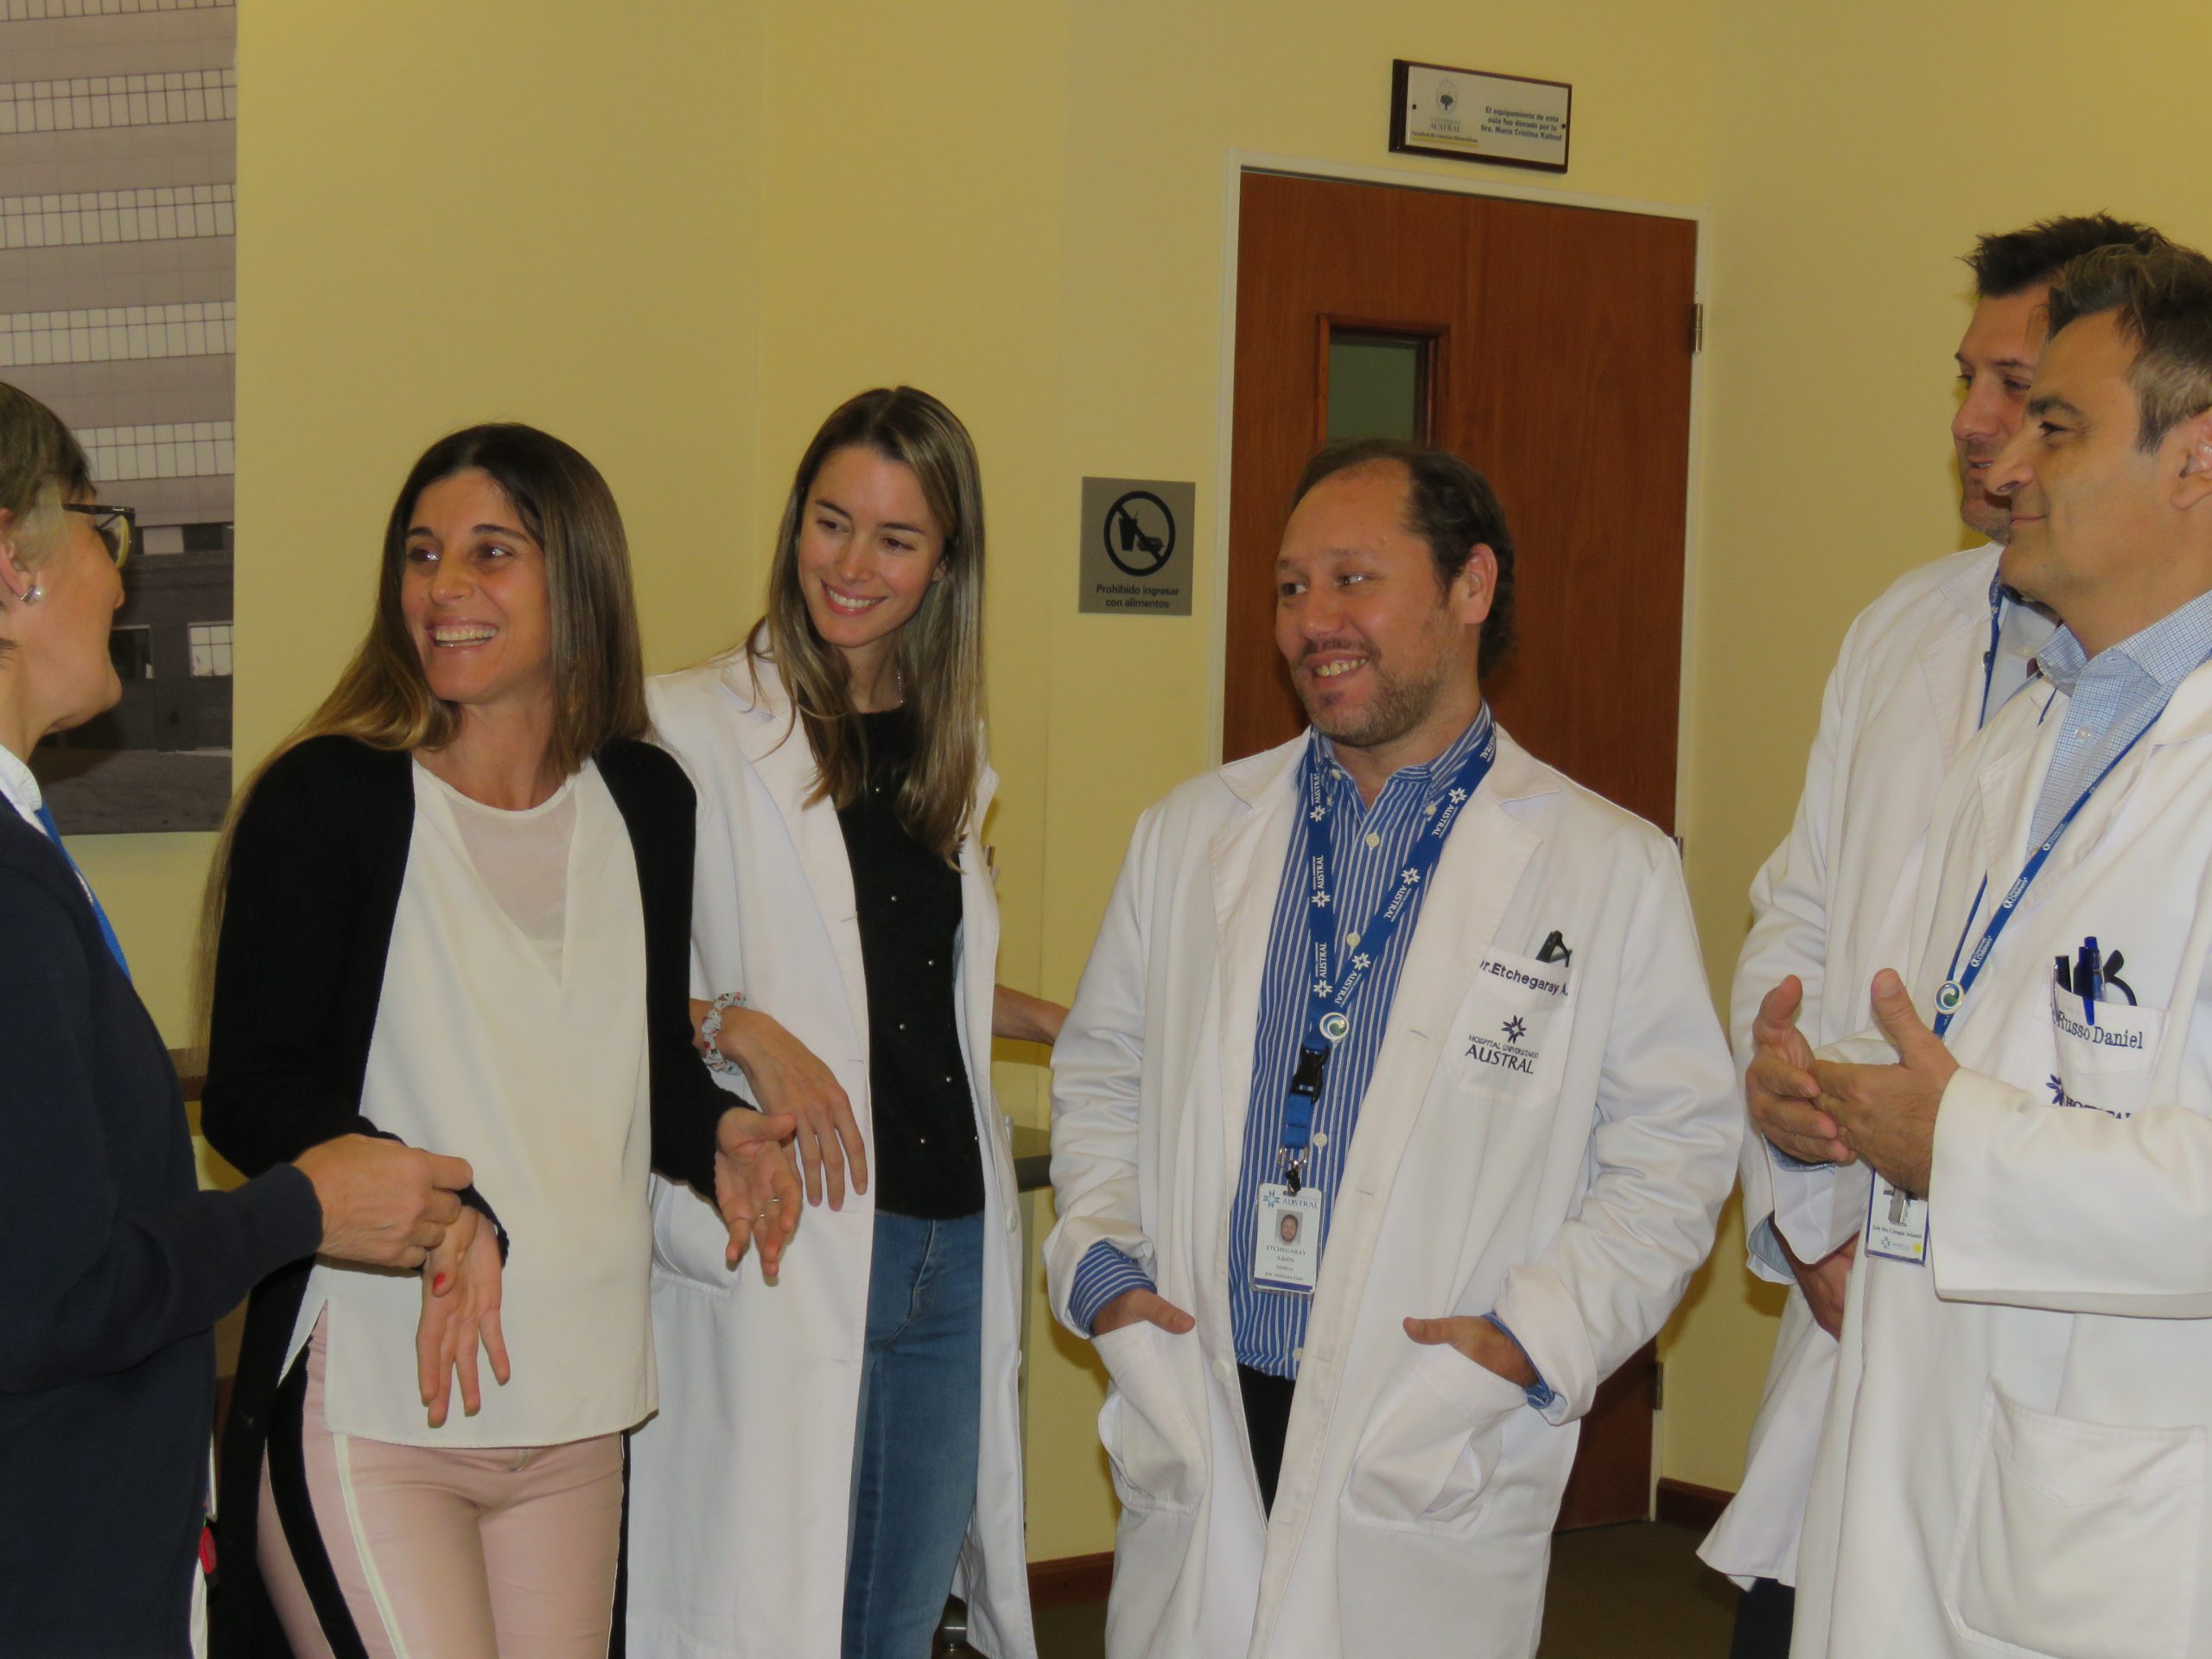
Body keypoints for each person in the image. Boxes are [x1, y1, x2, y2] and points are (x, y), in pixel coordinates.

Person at [1045, 436, 1741, 1658]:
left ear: (1471, 586)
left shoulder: (1607, 867)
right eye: (1290, 586)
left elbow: (1674, 1154)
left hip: (1422, 1416)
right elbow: (1104, 1074)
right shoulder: (1191, 834)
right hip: (1198, 1384)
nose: (1313, 621)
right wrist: (1103, 1271)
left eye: (1352, 579)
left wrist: (1531, 1340)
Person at [198, 424, 800, 1658]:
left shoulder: (646, 799)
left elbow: (638, 1061)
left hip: (577, 1406)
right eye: (422, 555)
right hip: (373, 1399)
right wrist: (443, 1209)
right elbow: (254, 1093)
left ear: (576, 578)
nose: (443, 588)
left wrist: (717, 1131)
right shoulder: (329, 797)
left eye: (490, 552)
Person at [1695, 214, 2163, 1656]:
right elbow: (1815, 921)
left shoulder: (2136, 716)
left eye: (2033, 403)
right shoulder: (1931, 651)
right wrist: (1798, 1129)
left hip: (2081, 1425)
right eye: (1971, 383)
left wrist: (1946, 1149)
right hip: (1869, 1325)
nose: (1982, 434)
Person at [0, 381, 478, 1656]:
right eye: (99, 526)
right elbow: (50, 1298)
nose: (120, 576)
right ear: (12, 565)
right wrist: (301, 1209)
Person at [628, 387, 1056, 1659]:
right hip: (795, 1231)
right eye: (831, 522)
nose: (853, 565)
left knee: (894, 1625)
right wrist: (734, 1026)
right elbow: (590, 976)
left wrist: (1059, 1021)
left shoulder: (945, 747)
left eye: (896, 539)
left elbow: (899, 974)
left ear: (946, 566)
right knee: (767, 1612)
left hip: (948, 1242)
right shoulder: (682, 725)